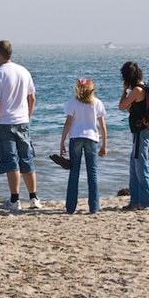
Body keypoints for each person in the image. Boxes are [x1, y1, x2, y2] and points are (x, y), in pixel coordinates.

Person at [0, 40, 39, 212]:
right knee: (26, 158)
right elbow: (31, 98)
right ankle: (33, 197)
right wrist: (27, 116)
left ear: (0, 53)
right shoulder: (23, 71)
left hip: (4, 122)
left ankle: (15, 199)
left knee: (11, 161)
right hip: (22, 121)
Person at [59, 78, 107, 214]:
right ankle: (94, 207)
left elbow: (68, 123)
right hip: (92, 138)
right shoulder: (97, 103)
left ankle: (70, 208)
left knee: (74, 173)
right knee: (92, 173)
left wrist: (62, 141)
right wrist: (104, 144)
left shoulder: (72, 103)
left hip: (76, 137)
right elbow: (103, 126)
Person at [117, 61, 149, 210]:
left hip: (141, 132)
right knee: (134, 167)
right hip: (141, 132)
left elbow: (121, 106)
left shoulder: (136, 90)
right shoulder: (143, 87)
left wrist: (124, 91)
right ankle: (136, 201)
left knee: (141, 167)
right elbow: (132, 109)